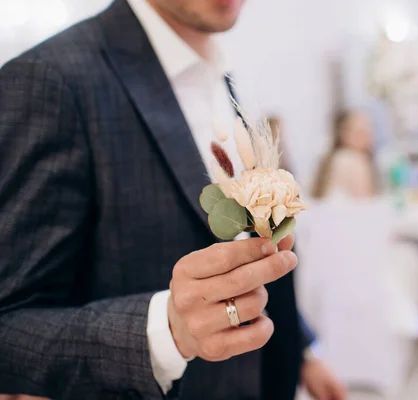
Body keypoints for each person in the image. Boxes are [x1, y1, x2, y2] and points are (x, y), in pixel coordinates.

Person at [0, 0, 345, 399]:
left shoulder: (220, 74)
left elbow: (241, 248)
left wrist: (300, 350)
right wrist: (164, 331)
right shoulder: (51, 79)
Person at [312, 110, 378, 199]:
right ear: (345, 134)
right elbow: (364, 201)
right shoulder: (352, 160)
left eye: (369, 131)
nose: (369, 137)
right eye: (361, 132)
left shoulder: (334, 158)